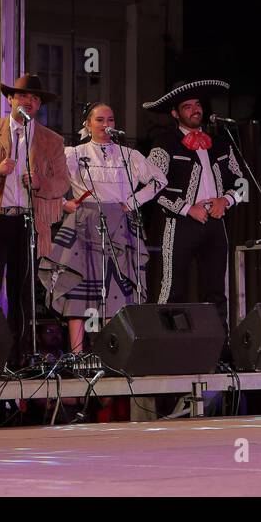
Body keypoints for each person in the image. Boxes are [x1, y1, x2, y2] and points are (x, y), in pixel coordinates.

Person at [0, 74, 71, 367]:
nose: (30, 102)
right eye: (24, 96)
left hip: (29, 224)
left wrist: (40, 183)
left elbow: (62, 184)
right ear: (10, 100)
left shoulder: (52, 140)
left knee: (24, 294)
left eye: (35, 99)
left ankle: (18, 358)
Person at [38, 102, 167, 354]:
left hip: (119, 224)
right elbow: (42, 179)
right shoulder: (74, 154)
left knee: (116, 290)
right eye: (99, 120)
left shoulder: (129, 156)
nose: (106, 125)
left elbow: (159, 180)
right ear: (87, 124)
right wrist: (64, 203)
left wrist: (132, 203)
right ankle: (76, 355)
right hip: (84, 222)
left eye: (110, 119)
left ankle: (111, 353)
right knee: (78, 285)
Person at [143, 80, 240, 330]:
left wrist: (226, 200)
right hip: (179, 223)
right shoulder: (164, 143)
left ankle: (220, 350)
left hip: (215, 223)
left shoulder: (220, 142)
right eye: (187, 106)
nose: (195, 110)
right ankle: (166, 348)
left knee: (217, 291)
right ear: (175, 113)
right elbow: (154, 188)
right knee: (172, 289)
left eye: (198, 105)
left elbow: (243, 183)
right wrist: (187, 208)